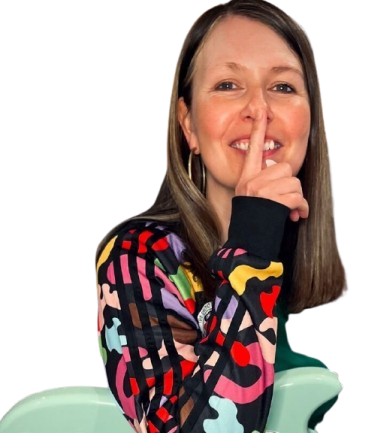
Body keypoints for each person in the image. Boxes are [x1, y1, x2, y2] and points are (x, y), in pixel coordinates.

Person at [94, 0, 348, 431]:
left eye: (283, 87)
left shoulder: (326, 273)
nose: (259, 110)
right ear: (188, 125)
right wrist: (253, 242)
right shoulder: (137, 258)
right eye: (228, 85)